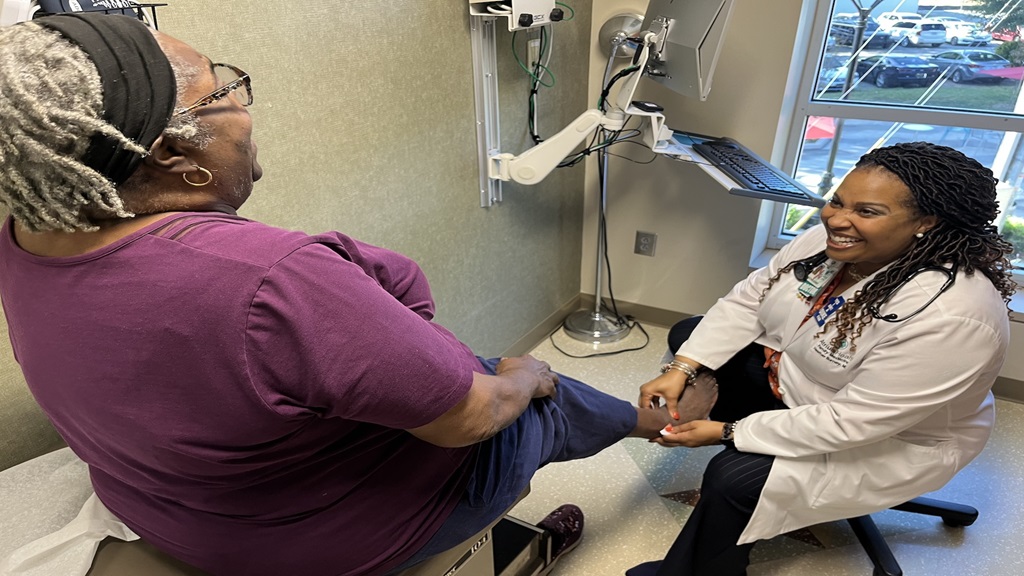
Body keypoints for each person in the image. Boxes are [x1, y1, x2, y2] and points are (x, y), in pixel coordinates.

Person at [0, 13, 674, 576]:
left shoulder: (24, 236)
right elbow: (467, 417)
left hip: (174, 513)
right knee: (531, 389)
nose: (243, 105)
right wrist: (526, 379)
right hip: (327, 541)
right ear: (175, 156)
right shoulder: (273, 281)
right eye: (223, 91)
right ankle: (657, 424)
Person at [628, 141, 1017, 576]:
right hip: (811, 387)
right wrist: (682, 366)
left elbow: (855, 421)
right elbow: (749, 300)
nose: (835, 218)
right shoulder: (830, 243)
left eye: (867, 211)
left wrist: (728, 431)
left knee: (733, 477)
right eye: (836, 200)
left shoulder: (953, 315)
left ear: (926, 222)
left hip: (892, 440)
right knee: (691, 338)